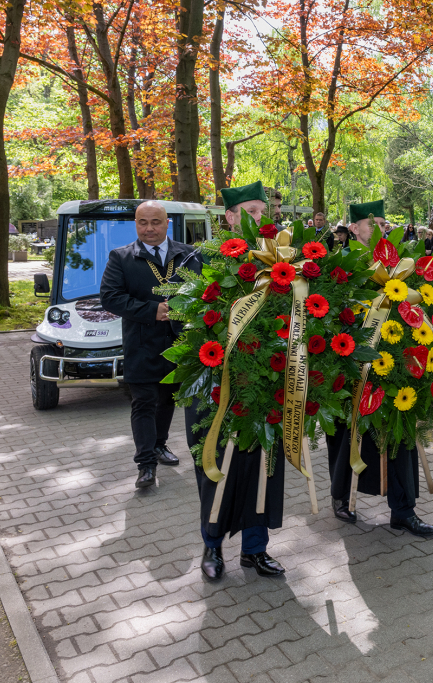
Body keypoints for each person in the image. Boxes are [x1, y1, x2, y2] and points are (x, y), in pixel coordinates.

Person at [186, 181, 288, 581]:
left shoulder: (278, 260)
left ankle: (255, 549)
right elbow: (193, 320)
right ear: (229, 217)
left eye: (265, 212)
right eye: (252, 212)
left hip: (266, 381)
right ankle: (212, 546)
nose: (262, 219)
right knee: (217, 464)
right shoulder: (203, 260)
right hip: (218, 385)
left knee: (264, 462)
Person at [326, 199, 433, 537]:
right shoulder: (341, 262)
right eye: (371, 224)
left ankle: (403, 510)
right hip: (353, 361)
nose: (379, 229)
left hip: (395, 359)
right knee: (349, 433)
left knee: (402, 434)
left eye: (383, 224)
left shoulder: (397, 261)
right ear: (354, 227)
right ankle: (341, 496)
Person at [101, 201, 196, 490]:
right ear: (135, 224)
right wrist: (151, 310)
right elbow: (110, 297)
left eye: (155, 222)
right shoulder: (121, 257)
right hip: (141, 343)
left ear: (167, 223)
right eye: (143, 222)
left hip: (179, 344)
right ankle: (145, 464)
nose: (149, 228)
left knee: (167, 399)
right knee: (143, 402)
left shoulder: (189, 256)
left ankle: (159, 445)